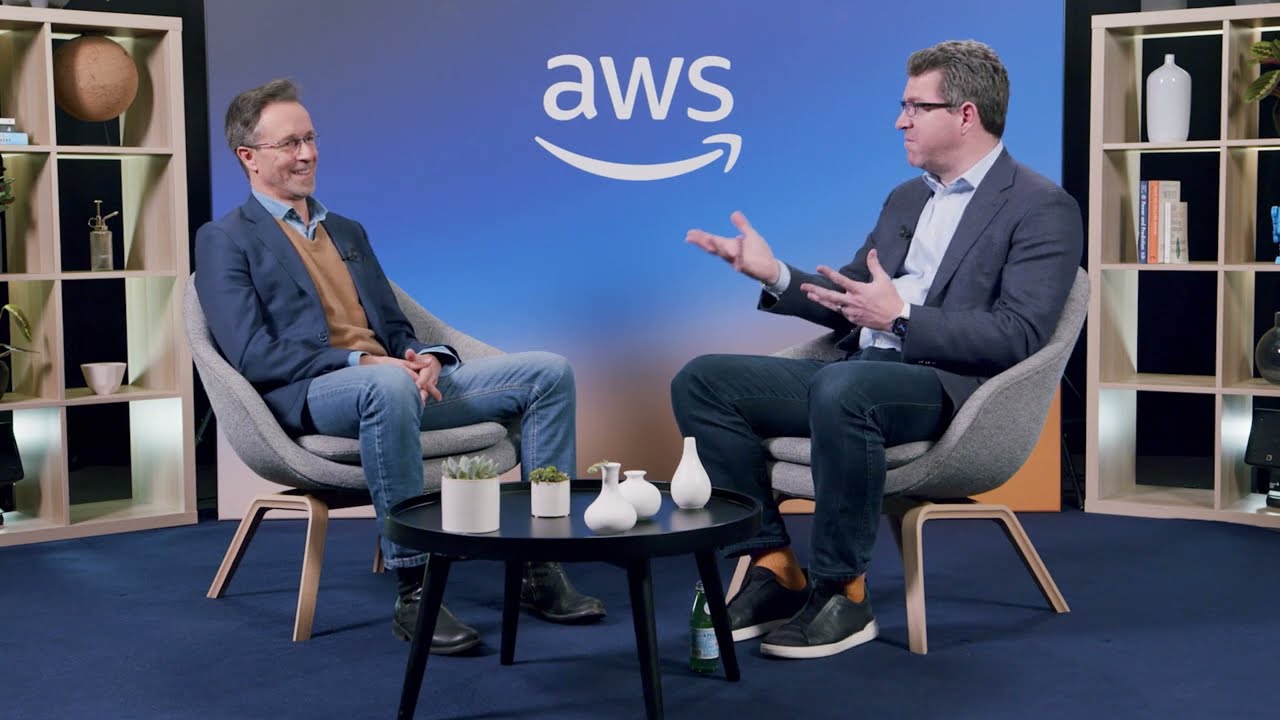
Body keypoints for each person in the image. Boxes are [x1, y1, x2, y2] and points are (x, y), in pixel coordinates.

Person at [672, 40, 1081, 660]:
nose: (900, 121)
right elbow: (850, 296)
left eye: (916, 107)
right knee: (702, 381)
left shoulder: (1041, 206)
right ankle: (773, 566)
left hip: (944, 385)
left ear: (966, 115)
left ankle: (844, 591)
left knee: (846, 389)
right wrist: (773, 274)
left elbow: (1018, 334)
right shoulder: (906, 197)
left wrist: (903, 319)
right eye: (903, 105)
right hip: (860, 375)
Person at [195, 79, 605, 655]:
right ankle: (416, 591)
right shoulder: (225, 239)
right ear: (249, 156)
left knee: (549, 373)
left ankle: (541, 565)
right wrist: (362, 360)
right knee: (386, 384)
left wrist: (424, 357)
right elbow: (250, 354)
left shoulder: (347, 231)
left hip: (390, 381)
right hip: (313, 393)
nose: (308, 154)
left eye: (311, 138)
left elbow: (395, 327)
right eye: (290, 143)